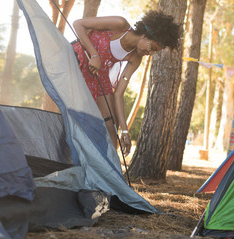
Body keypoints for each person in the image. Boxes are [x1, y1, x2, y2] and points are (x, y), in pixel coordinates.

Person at [72, 10, 181, 155]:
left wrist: (124, 131)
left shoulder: (135, 58)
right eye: (152, 48)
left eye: (155, 51)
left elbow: (118, 94)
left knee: (112, 124)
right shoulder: (120, 24)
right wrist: (94, 54)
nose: (151, 53)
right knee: (77, 118)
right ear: (145, 36)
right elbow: (78, 24)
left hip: (98, 75)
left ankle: (109, 169)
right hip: (79, 60)